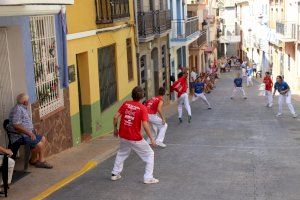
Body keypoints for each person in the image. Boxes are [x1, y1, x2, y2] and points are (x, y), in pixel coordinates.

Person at [111, 86, 159, 184]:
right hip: (135, 138)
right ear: (142, 97)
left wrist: (115, 129)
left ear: (132, 95)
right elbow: (145, 125)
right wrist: (152, 139)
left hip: (123, 135)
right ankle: (148, 177)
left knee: (122, 152)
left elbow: (115, 117)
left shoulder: (126, 104)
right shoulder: (142, 108)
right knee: (150, 154)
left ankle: (115, 173)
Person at [9, 93, 53, 169]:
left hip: (26, 134)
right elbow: (16, 125)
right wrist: (29, 133)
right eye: (28, 100)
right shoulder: (18, 109)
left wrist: (32, 130)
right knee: (39, 144)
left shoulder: (22, 108)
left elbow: (24, 122)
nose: (28, 101)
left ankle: (38, 160)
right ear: (25, 102)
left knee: (43, 139)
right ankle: (34, 161)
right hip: (20, 136)